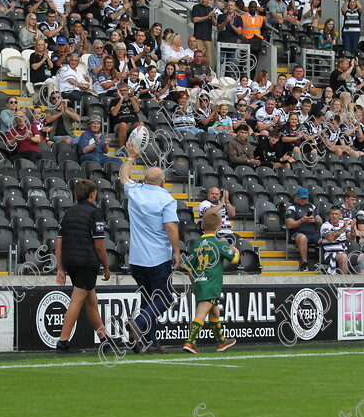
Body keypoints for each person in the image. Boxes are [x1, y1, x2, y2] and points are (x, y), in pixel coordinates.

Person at [121, 143, 180, 355]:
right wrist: (176, 252)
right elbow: (171, 226)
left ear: (145, 180)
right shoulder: (167, 198)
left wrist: (130, 157)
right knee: (164, 298)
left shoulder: (135, 191)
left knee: (148, 298)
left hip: (137, 259)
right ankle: (139, 323)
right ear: (163, 182)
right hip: (158, 258)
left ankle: (150, 342)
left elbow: (123, 177)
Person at [54, 179, 113, 353]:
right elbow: (99, 245)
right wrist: (106, 267)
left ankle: (104, 340)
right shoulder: (95, 213)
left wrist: (60, 268)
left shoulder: (69, 213)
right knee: (77, 300)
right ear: (92, 194)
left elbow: (58, 241)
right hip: (86, 262)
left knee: (91, 301)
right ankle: (63, 342)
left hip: (71, 262)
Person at [181, 211, 239, 354]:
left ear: (202, 225)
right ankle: (190, 343)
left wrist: (194, 283)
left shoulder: (196, 244)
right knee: (201, 313)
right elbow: (235, 260)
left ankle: (220, 343)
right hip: (212, 283)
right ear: (220, 226)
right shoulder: (219, 243)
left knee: (214, 312)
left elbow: (188, 267)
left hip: (200, 282)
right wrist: (234, 249)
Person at [285, 187, 320, 271]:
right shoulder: (292, 208)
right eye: (302, 198)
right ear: (297, 197)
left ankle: (322, 262)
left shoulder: (311, 206)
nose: (303, 200)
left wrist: (315, 220)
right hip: (298, 233)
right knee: (302, 238)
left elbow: (320, 220)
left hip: (313, 233)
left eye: (305, 198)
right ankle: (305, 263)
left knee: (326, 237)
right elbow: (289, 225)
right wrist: (302, 220)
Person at [320, 206, 350, 275]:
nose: (334, 216)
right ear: (329, 215)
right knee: (343, 257)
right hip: (330, 254)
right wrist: (343, 228)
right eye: (332, 214)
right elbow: (331, 238)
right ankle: (344, 282)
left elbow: (351, 237)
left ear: (340, 215)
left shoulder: (342, 224)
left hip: (344, 251)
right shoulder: (325, 226)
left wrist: (353, 228)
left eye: (336, 214)